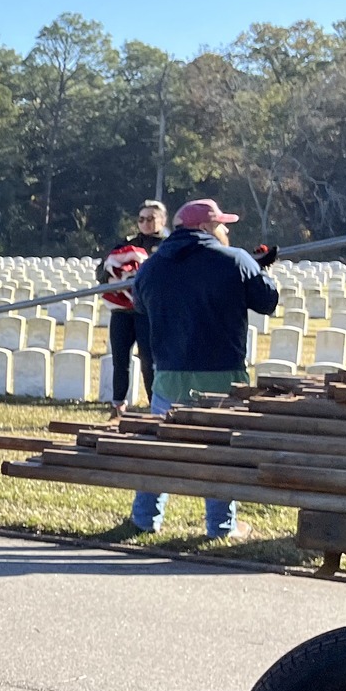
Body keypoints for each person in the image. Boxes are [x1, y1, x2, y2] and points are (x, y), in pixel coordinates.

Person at [128, 198, 280, 541]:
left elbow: (140, 304)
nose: (225, 229)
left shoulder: (152, 266)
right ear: (207, 227)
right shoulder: (235, 259)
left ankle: (144, 518)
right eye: (222, 224)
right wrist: (260, 270)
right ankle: (221, 525)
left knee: (160, 447)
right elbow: (266, 301)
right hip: (221, 372)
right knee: (221, 452)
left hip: (169, 371)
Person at [96, 200, 165, 417]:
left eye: (150, 219)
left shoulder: (167, 246)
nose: (145, 223)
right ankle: (118, 405)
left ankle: (155, 405)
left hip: (148, 312)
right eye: (141, 219)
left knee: (149, 361)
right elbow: (103, 270)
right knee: (120, 360)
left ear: (162, 221)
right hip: (122, 312)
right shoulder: (125, 245)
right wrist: (114, 274)